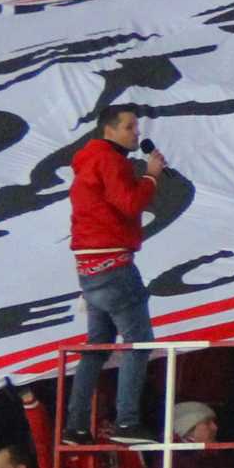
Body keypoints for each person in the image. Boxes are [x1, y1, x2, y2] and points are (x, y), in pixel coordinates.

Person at [67, 104, 165, 443]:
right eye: (129, 127)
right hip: (113, 263)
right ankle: (126, 421)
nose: (136, 133)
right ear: (108, 129)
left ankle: (76, 426)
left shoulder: (87, 160)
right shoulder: (110, 161)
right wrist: (151, 176)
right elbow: (130, 203)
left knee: (97, 346)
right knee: (139, 341)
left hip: (88, 267)